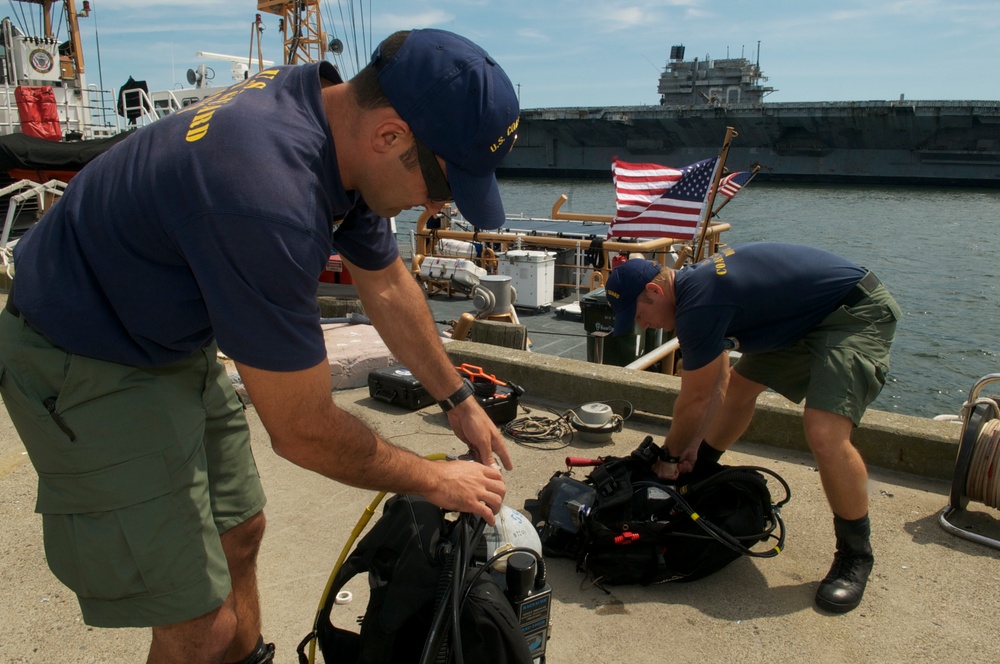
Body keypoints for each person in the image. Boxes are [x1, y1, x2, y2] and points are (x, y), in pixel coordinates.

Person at [0, 29, 520, 663]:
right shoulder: (266, 194)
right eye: (442, 184)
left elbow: (384, 284)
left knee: (240, 533)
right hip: (83, 357)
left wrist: (457, 396)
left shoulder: (328, 114)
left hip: (165, 338)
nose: (437, 205)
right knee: (198, 624)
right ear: (391, 136)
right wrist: (435, 481)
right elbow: (303, 431)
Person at [605, 242, 901, 614]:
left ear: (655, 291)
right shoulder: (695, 290)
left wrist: (669, 458)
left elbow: (693, 401)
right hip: (804, 317)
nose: (642, 325)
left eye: (640, 314)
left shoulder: (699, 303)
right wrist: (695, 449)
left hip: (854, 311)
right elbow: (720, 383)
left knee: (825, 433)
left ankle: (856, 554)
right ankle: (704, 470)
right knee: (742, 390)